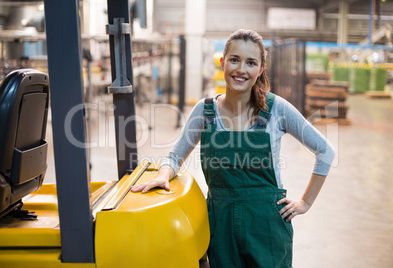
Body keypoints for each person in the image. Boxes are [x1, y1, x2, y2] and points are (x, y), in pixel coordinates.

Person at [131, 29, 335, 267]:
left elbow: (325, 150)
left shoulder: (277, 109)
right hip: (220, 226)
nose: (241, 69)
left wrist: (305, 202)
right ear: (222, 62)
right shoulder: (205, 111)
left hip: (266, 228)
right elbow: (175, 156)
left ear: (260, 70)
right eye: (234, 60)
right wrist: (163, 175)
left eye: (251, 63)